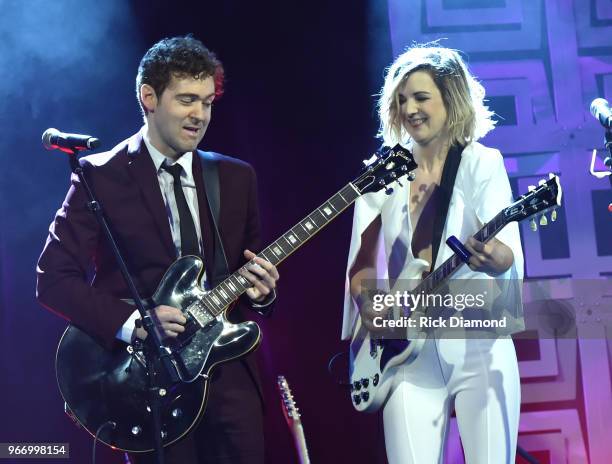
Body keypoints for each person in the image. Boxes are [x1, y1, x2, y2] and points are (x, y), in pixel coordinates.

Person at [36, 35, 278, 464]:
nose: (200, 115)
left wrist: (263, 293)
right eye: (187, 100)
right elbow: (53, 280)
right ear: (149, 96)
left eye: (207, 102)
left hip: (230, 382)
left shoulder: (236, 178)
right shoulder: (100, 175)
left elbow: (251, 270)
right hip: (149, 385)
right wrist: (132, 321)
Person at [343, 44, 524, 463]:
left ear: (451, 99)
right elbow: (362, 262)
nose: (410, 109)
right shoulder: (381, 173)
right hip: (404, 355)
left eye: (421, 97)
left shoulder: (482, 163)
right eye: (402, 99)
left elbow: (506, 255)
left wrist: (492, 256)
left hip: (478, 342)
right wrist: (370, 304)